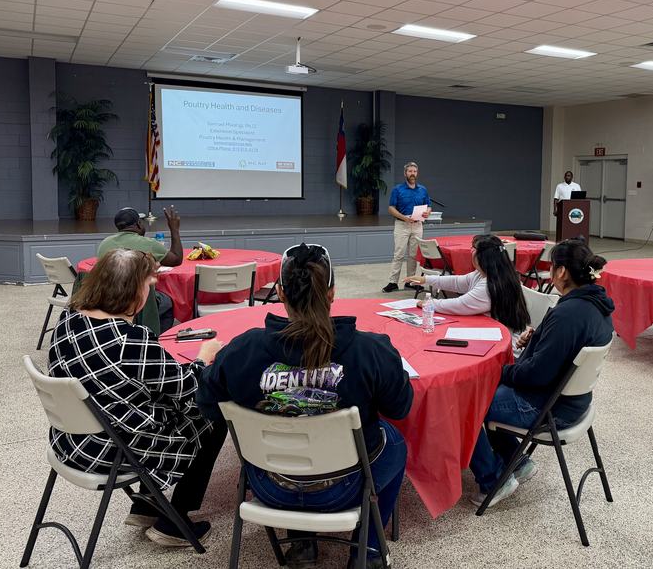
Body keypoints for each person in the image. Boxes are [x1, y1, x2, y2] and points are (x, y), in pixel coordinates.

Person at [197, 243, 414, 569]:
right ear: (332, 293)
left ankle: (301, 544)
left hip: (270, 486)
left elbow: (209, 408)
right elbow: (400, 408)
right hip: (346, 489)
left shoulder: (243, 350)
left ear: (281, 293)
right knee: (394, 440)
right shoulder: (371, 351)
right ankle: (367, 553)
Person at [47, 248, 226, 547]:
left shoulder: (69, 319)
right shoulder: (129, 339)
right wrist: (203, 357)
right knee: (211, 413)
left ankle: (145, 504)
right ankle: (174, 521)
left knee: (157, 403)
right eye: (148, 286)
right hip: (109, 452)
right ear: (133, 291)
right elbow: (190, 387)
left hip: (71, 440)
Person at [468, 238, 613, 509]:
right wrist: (540, 337)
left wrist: (498, 372)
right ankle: (518, 461)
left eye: (552, 267)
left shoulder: (568, 313)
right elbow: (564, 346)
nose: (549, 272)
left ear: (561, 272)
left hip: (548, 407)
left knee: (468, 401)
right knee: (490, 391)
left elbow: (535, 375)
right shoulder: (595, 304)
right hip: (575, 401)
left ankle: (492, 478)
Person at [404, 234, 530, 334]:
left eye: (473, 249)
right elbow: (457, 282)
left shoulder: (489, 286)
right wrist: (426, 279)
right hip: (491, 328)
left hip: (502, 338)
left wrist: (428, 303)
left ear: (483, 257)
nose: (471, 251)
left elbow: (459, 305)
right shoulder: (489, 274)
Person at [97, 206, 183, 332]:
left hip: (109, 296)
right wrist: (174, 229)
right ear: (138, 224)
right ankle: (156, 338)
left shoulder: (104, 243)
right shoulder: (148, 244)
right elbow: (176, 259)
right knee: (167, 301)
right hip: (137, 297)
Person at [383, 161, 431, 293]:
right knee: (398, 254)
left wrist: (428, 212)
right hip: (402, 224)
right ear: (405, 173)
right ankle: (393, 282)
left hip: (417, 225)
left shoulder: (423, 189)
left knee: (413, 256)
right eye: (410, 171)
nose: (412, 174)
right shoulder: (397, 190)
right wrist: (404, 218)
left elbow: (428, 205)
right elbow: (391, 208)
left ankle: (410, 282)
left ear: (417, 173)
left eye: (414, 171)